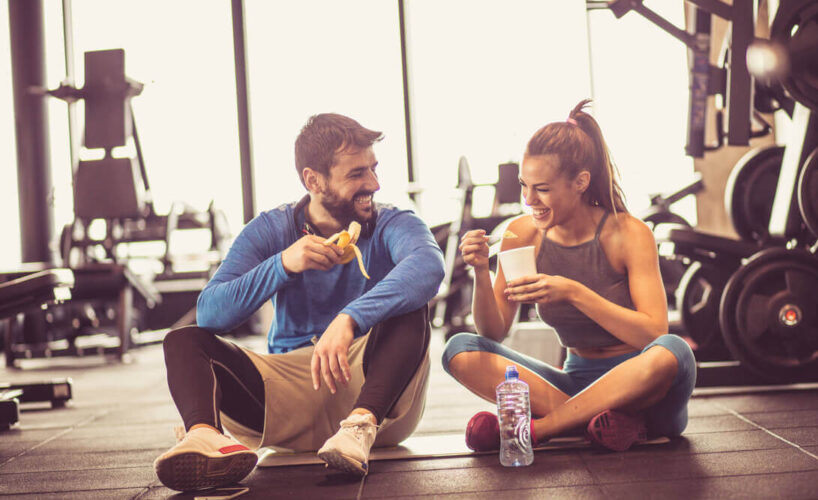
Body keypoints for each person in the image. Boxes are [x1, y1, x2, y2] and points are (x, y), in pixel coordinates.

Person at [153, 113, 444, 491]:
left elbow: (429, 266)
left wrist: (349, 318)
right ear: (313, 180)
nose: (373, 183)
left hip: (376, 397)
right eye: (357, 174)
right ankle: (207, 437)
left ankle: (358, 427)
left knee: (410, 303)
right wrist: (283, 264)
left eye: (373, 169)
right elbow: (210, 312)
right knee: (183, 340)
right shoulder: (272, 228)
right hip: (288, 395)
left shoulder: (392, 222)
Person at [442, 99, 696, 453]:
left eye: (542, 188)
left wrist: (575, 293)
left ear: (580, 182)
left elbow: (653, 333)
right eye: (524, 185)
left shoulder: (628, 233)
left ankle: (542, 429)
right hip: (575, 383)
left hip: (645, 390)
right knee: (460, 348)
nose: (529, 200)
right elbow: (493, 332)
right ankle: (591, 423)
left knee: (673, 351)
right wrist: (482, 272)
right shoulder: (521, 233)